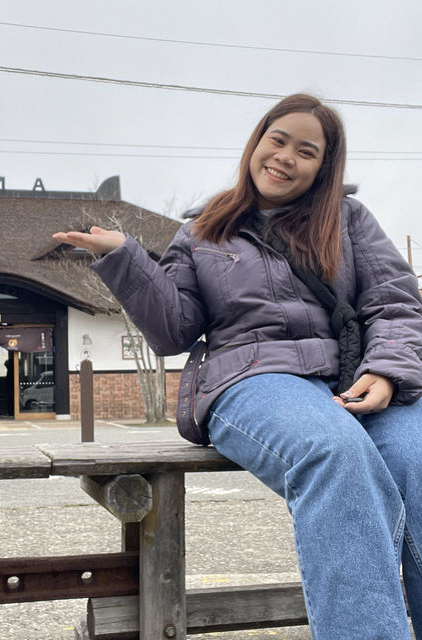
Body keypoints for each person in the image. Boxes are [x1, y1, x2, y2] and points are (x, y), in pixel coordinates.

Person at [53, 94, 422, 640]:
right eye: (278, 140)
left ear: (325, 166)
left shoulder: (348, 219)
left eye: (306, 151)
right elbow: (174, 328)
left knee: (415, 460)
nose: (285, 157)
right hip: (254, 377)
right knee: (335, 454)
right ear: (257, 141)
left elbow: (393, 299)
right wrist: (125, 258)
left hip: (356, 374)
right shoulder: (204, 229)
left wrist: (389, 369)